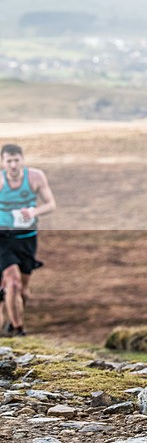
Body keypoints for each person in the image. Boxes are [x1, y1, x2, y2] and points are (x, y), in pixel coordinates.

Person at [0, 144, 56, 337]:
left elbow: (50, 204)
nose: (13, 165)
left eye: (16, 160)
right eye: (9, 161)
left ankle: (12, 317)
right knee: (12, 282)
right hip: (3, 238)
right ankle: (19, 329)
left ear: (22, 160)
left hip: (26, 238)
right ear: (3, 162)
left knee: (23, 290)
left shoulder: (35, 177)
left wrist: (33, 211)